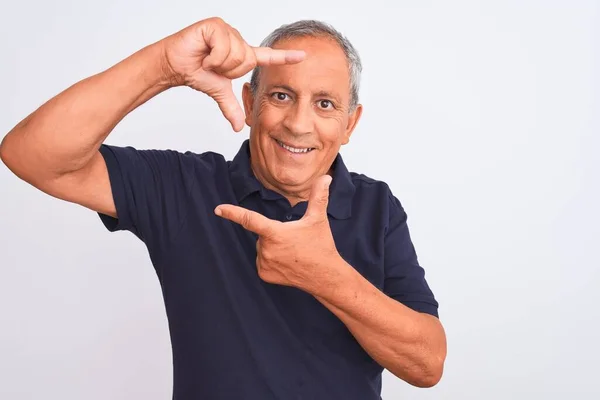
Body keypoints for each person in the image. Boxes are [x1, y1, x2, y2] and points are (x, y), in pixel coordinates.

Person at [0, 16, 447, 399]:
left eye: (324, 104)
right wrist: (163, 66)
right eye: (281, 96)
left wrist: (326, 276)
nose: (298, 123)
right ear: (250, 103)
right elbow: (31, 155)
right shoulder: (184, 186)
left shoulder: (377, 207)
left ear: (350, 123)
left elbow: (427, 364)